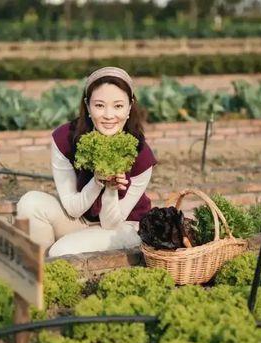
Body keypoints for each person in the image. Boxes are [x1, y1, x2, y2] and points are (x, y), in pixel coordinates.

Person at [16, 66, 157, 257]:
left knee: (61, 252)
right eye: (99, 105)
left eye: (118, 106)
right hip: (80, 218)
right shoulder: (64, 138)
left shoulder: (142, 155)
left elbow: (110, 224)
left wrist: (110, 189)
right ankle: (34, 275)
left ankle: (54, 268)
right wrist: (97, 181)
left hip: (122, 227)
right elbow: (73, 209)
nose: (108, 115)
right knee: (30, 202)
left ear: (130, 107)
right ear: (87, 105)